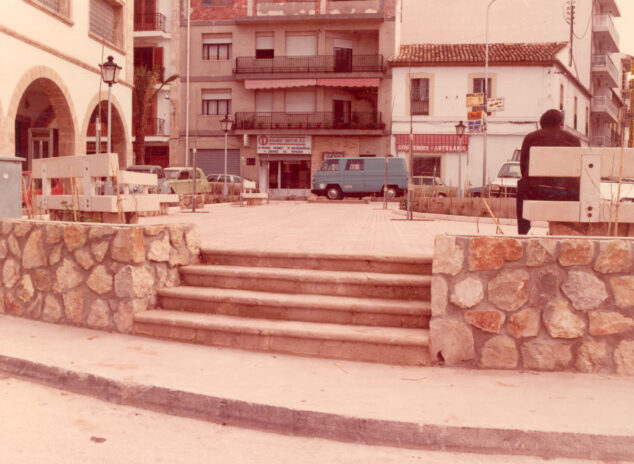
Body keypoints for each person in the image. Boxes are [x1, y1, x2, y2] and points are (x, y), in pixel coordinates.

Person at [516, 109, 581, 235]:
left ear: (542, 124)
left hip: (537, 192)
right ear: (560, 124)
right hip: (566, 194)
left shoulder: (530, 138)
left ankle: (523, 232)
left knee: (521, 187)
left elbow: (523, 169)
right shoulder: (573, 140)